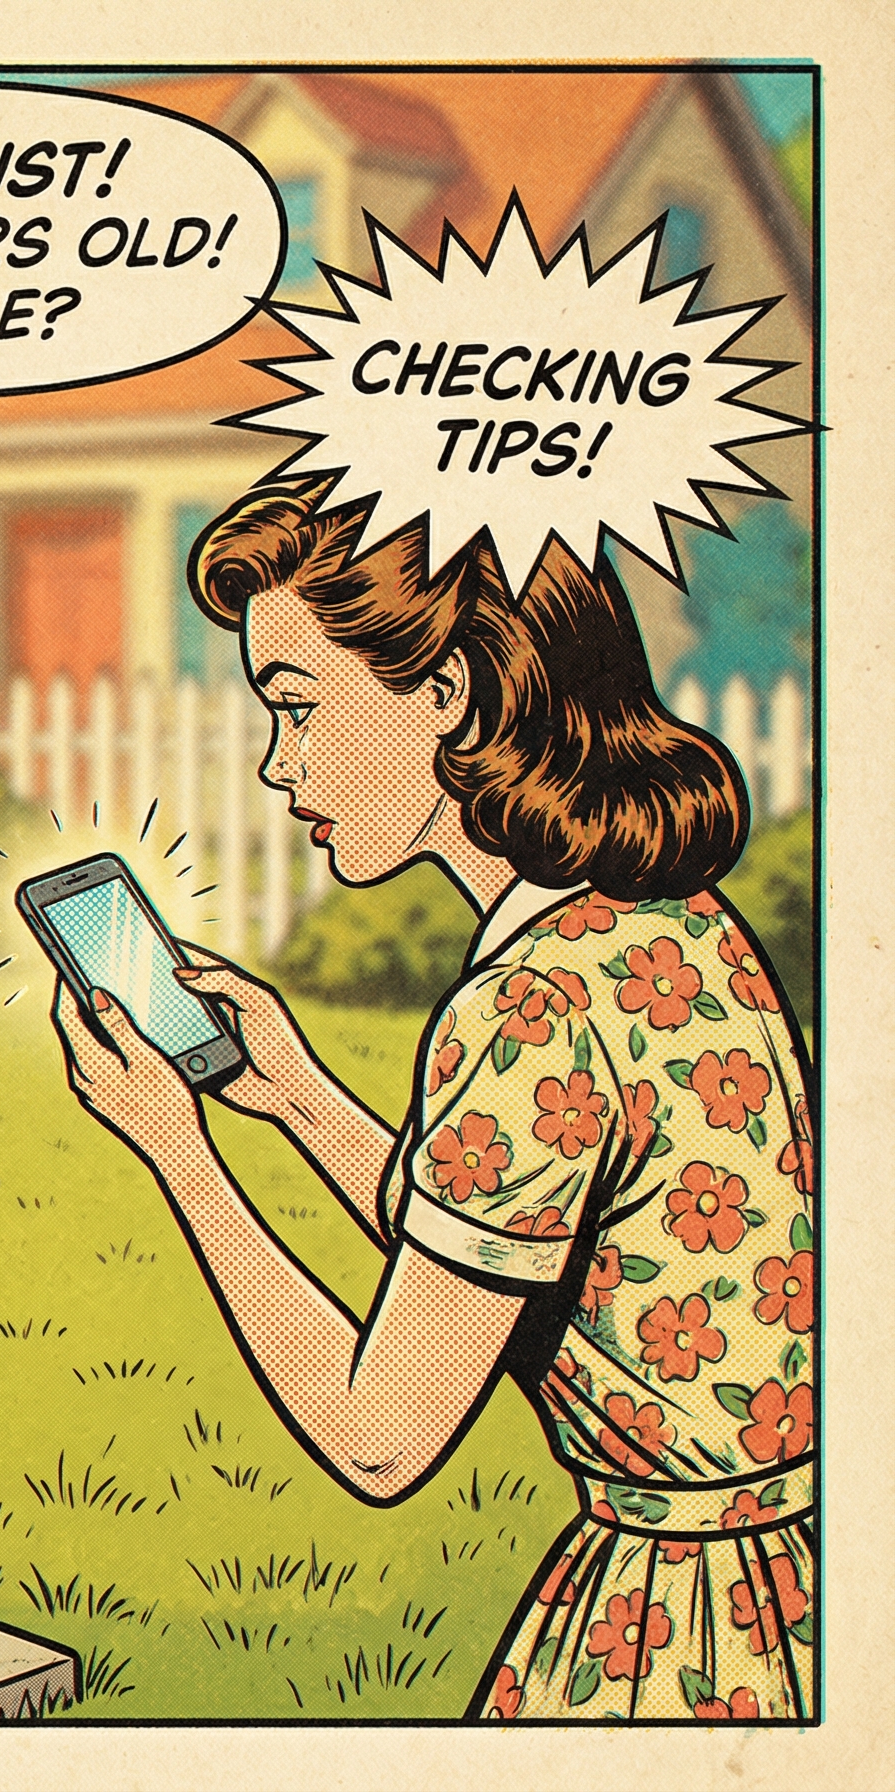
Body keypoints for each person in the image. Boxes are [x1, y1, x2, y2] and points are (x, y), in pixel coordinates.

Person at [46, 480, 815, 1721]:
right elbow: (523, 1257)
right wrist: (293, 1093)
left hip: (677, 1631)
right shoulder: (668, 929)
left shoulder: (530, 1008)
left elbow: (381, 1435)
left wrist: (179, 1151)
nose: (276, 760)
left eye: (298, 709)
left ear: (448, 694)